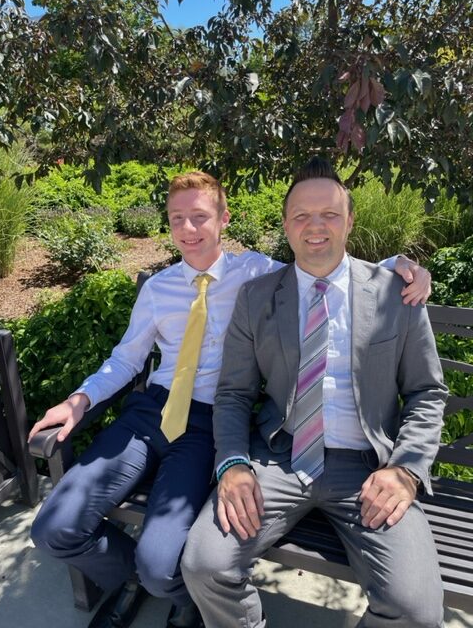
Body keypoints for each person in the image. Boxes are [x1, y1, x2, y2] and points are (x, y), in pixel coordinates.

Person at [29, 170, 432, 628]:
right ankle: (143, 583)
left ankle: (163, 584)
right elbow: (126, 358)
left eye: (200, 216)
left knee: (161, 562)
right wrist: (80, 399)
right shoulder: (159, 288)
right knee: (53, 528)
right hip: (150, 412)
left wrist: (400, 264)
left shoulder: (256, 273)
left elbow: (322, 261)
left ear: (224, 219)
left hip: (208, 423)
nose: (188, 229)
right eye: (176, 218)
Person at [181, 158, 447, 628]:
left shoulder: (395, 293)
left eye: (329, 214)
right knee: (205, 564)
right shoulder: (257, 297)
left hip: (370, 467)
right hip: (278, 459)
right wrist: (233, 464)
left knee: (416, 611)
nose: (315, 226)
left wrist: (406, 469)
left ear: (350, 221)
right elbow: (234, 394)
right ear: (286, 226)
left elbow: (426, 391)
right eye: (302, 215)